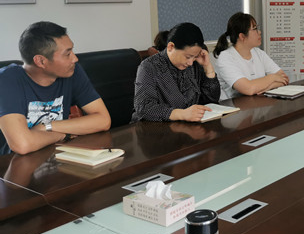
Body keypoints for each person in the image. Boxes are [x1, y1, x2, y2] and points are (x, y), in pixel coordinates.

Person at [0, 21, 111, 155]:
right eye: (67, 54)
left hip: (57, 156)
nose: (75, 58)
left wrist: (46, 127)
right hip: (13, 163)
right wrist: (63, 135)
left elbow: (103, 120)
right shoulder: (6, 80)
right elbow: (22, 144)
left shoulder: (72, 71)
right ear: (41, 61)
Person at [132, 22, 220, 122]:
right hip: (155, 128)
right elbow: (143, 107)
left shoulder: (194, 64)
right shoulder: (149, 67)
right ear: (170, 47)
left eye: (194, 57)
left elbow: (212, 100)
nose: (190, 63)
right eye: (188, 57)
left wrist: (208, 67)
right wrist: (181, 114)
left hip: (188, 126)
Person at [213, 12, 289, 99]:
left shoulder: (259, 53)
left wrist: (265, 88)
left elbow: (284, 78)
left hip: (257, 102)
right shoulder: (226, 58)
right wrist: (272, 77)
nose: (259, 32)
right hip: (233, 106)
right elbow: (248, 89)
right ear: (242, 36)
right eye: (255, 29)